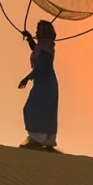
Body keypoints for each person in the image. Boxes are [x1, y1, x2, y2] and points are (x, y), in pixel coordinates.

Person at [17, 20, 59, 151]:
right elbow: (35, 50)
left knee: (34, 109)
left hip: (46, 84)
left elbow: (41, 66)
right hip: (43, 83)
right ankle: (44, 141)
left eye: (37, 31)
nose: (36, 33)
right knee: (42, 111)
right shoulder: (44, 46)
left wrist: (27, 78)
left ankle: (37, 140)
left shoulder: (47, 49)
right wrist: (29, 38)